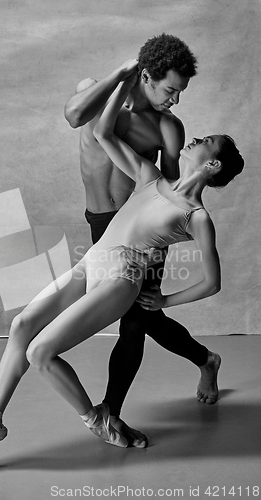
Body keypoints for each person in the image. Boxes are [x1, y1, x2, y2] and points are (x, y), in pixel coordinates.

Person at [0, 70, 244, 473]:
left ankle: (98, 418)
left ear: (212, 163)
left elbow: (213, 282)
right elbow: (103, 135)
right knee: (22, 326)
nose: (195, 140)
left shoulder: (196, 216)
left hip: (122, 278)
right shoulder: (152, 177)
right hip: (93, 260)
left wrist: (165, 298)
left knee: (41, 351)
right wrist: (120, 85)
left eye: (205, 143)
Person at [64, 34, 223, 446]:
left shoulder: (169, 127)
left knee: (134, 321)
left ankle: (110, 415)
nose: (175, 101)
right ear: (147, 76)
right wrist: (121, 74)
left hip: (143, 233)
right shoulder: (97, 94)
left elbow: (171, 189)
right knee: (147, 315)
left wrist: (169, 238)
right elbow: (74, 116)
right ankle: (206, 359)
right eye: (170, 90)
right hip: (101, 222)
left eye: (180, 93)